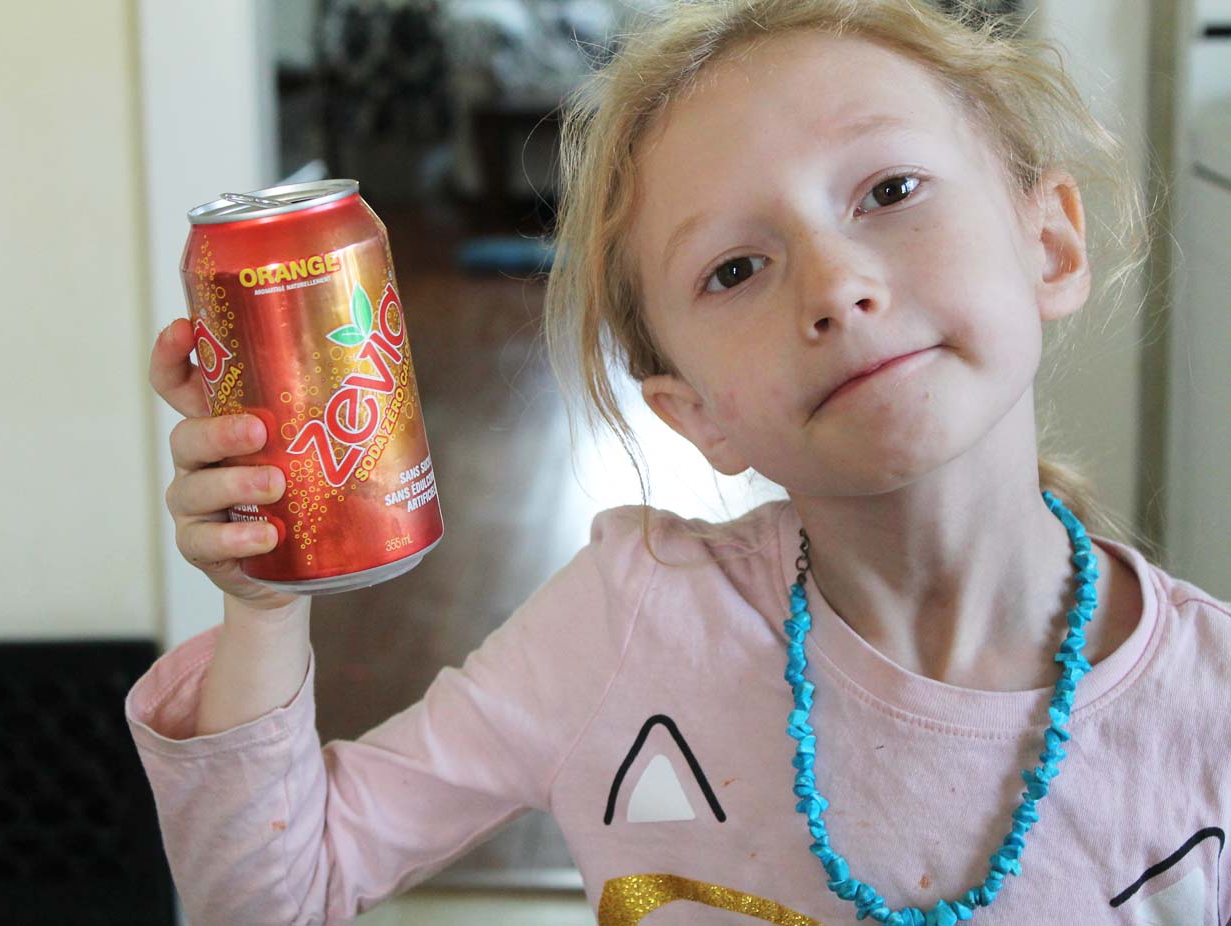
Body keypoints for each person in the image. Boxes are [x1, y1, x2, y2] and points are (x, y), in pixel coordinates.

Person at [126, 1, 1231, 924]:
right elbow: (275, 893)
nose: (836, 286)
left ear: (1051, 244)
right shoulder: (627, 623)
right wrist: (264, 603)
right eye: (736, 267)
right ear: (695, 415)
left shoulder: (1212, 710)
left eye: (890, 191)